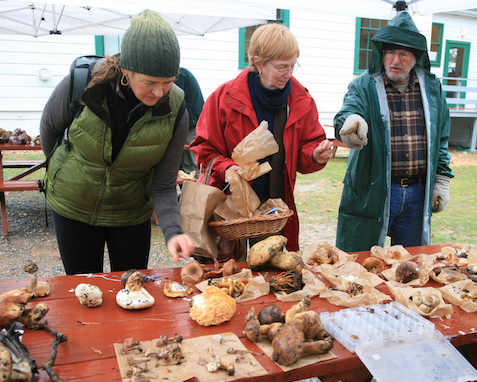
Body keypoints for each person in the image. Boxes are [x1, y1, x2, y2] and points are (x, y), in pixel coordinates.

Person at [39, 10, 194, 275]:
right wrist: (65, 173)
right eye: (150, 82)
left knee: (132, 290)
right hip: (74, 206)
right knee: (84, 294)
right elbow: (49, 133)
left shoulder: (176, 108)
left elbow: (164, 183)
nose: (159, 93)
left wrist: (173, 231)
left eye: (168, 82)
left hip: (130, 212)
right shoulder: (83, 84)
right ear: (126, 70)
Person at [191, 22, 334, 252]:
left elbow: (308, 147)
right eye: (281, 67)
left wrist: (315, 155)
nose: (288, 74)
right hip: (226, 211)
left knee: (269, 275)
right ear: (258, 62)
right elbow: (203, 148)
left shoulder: (300, 100)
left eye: (292, 66)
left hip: (272, 211)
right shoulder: (223, 98)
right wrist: (226, 167)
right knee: (228, 280)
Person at [333, 11, 454, 252]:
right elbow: (347, 113)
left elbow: (441, 138)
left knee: (411, 267)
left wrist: (441, 179)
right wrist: (350, 124)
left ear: (416, 56)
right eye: (390, 52)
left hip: (417, 194)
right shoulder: (364, 85)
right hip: (372, 190)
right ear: (382, 53)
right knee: (362, 263)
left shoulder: (432, 88)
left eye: (403, 54)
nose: (395, 61)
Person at [175, 67, 204, 177]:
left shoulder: (181, 75)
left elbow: (177, 103)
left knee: (190, 164)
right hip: (187, 121)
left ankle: (193, 192)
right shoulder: (182, 74)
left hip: (191, 122)